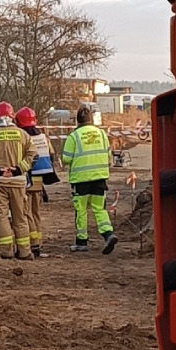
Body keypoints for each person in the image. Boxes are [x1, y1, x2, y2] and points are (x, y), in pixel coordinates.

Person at [0, 102, 37, 260]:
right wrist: (18, 169)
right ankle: (24, 252)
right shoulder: (23, 134)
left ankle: (6, 251)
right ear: (12, 116)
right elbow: (33, 155)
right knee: (20, 217)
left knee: (1, 217)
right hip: (18, 182)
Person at [62, 107, 119, 255]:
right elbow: (108, 154)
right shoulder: (101, 134)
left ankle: (81, 242)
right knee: (99, 209)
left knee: (80, 210)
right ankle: (108, 234)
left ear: (77, 120)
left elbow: (66, 158)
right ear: (92, 120)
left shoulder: (74, 136)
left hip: (80, 180)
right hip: (100, 177)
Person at [16, 107, 61, 258]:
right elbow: (51, 156)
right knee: (35, 213)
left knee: (26, 213)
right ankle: (38, 242)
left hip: (27, 180)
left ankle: (33, 244)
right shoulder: (43, 137)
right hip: (39, 181)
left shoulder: (22, 137)